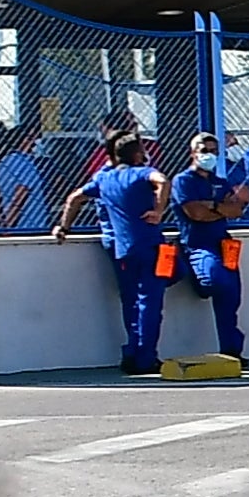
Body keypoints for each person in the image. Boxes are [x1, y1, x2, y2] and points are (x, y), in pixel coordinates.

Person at [57, 126, 169, 371]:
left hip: (122, 250)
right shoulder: (142, 174)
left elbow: (74, 198)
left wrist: (64, 226)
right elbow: (162, 181)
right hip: (150, 245)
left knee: (130, 301)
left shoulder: (103, 178)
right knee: (150, 302)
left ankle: (132, 349)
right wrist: (159, 210)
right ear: (138, 154)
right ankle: (145, 355)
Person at [164, 130, 249, 359]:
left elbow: (236, 210)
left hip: (224, 244)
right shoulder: (183, 181)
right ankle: (200, 284)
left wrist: (212, 206)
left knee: (232, 295)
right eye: (205, 151)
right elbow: (195, 214)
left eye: (214, 151)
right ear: (193, 153)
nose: (209, 155)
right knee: (214, 278)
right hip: (198, 244)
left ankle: (232, 350)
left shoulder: (220, 182)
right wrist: (219, 208)